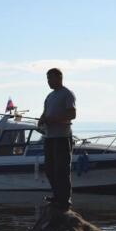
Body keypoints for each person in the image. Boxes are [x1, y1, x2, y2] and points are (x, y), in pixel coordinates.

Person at [37, 68, 76, 210]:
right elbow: (44, 113)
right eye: (47, 78)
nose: (48, 81)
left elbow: (72, 114)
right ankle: (57, 196)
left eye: (51, 78)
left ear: (59, 78)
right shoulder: (49, 96)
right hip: (49, 137)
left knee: (62, 170)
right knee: (50, 169)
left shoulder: (67, 94)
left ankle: (65, 200)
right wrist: (42, 120)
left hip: (62, 137)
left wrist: (53, 120)